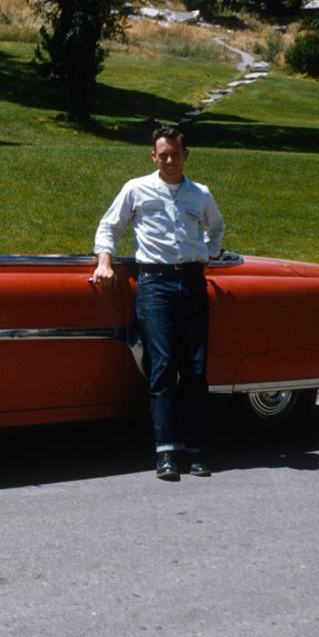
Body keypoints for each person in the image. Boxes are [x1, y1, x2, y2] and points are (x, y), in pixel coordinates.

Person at [93, 126, 224, 480]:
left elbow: (217, 228)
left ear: (186, 155)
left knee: (195, 368)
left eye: (174, 154)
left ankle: (195, 450)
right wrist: (104, 261)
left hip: (192, 283)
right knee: (163, 366)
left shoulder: (201, 194)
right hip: (154, 285)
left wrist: (207, 253)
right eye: (162, 154)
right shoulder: (136, 189)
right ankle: (166, 451)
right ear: (153, 156)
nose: (169, 160)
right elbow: (109, 227)